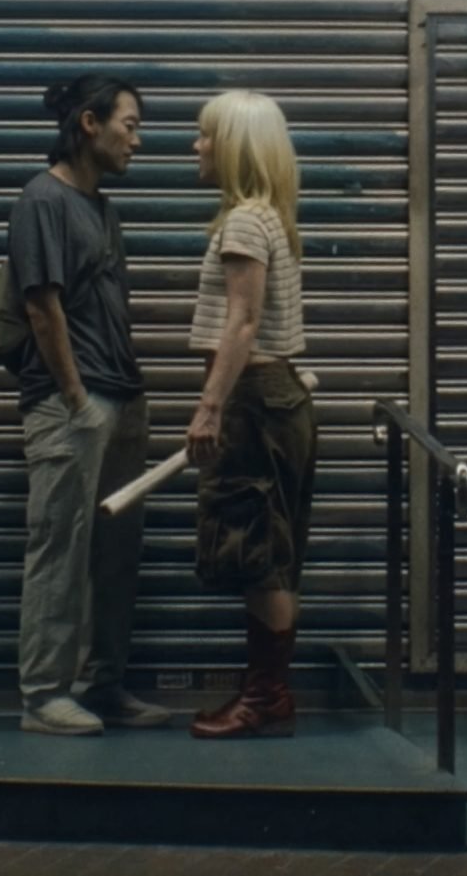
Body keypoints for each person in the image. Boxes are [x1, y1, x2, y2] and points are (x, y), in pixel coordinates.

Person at [7, 74, 174, 736]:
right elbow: (41, 307)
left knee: (113, 552)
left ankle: (101, 682)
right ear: (88, 123)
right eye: (129, 123)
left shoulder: (102, 208)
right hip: (71, 405)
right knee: (61, 548)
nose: (137, 138)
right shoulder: (41, 200)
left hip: (119, 398)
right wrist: (77, 400)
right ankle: (44, 695)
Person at [182, 89, 314, 739]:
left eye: (205, 136)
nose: (196, 147)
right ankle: (268, 692)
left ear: (233, 145)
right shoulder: (272, 217)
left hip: (254, 401)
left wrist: (210, 405)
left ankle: (265, 699)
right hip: (280, 394)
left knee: (256, 550)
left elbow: (243, 320)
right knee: (273, 550)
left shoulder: (242, 221)